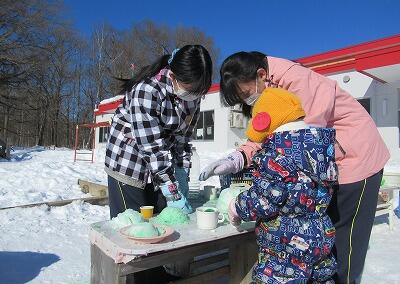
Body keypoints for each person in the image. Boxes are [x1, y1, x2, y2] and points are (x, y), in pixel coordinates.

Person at [199, 51, 390, 284]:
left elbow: (298, 140)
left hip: (356, 160)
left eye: (246, 94)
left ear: (261, 74)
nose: (248, 102)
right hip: (329, 166)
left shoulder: (297, 83)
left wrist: (245, 195)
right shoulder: (272, 91)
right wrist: (240, 155)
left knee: (345, 246)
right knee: (320, 244)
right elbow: (272, 135)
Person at [227, 87, 338, 283]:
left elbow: (266, 198)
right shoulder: (321, 153)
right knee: (321, 277)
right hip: (321, 236)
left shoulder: (276, 156)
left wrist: (237, 206)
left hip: (286, 245)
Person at [105, 45, 212, 219]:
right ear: (172, 76)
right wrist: (172, 191)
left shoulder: (193, 96)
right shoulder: (147, 90)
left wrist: (181, 175)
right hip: (128, 161)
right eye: (190, 89)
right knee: (132, 224)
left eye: (199, 91)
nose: (194, 97)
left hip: (159, 165)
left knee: (161, 222)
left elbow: (183, 139)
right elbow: (152, 146)